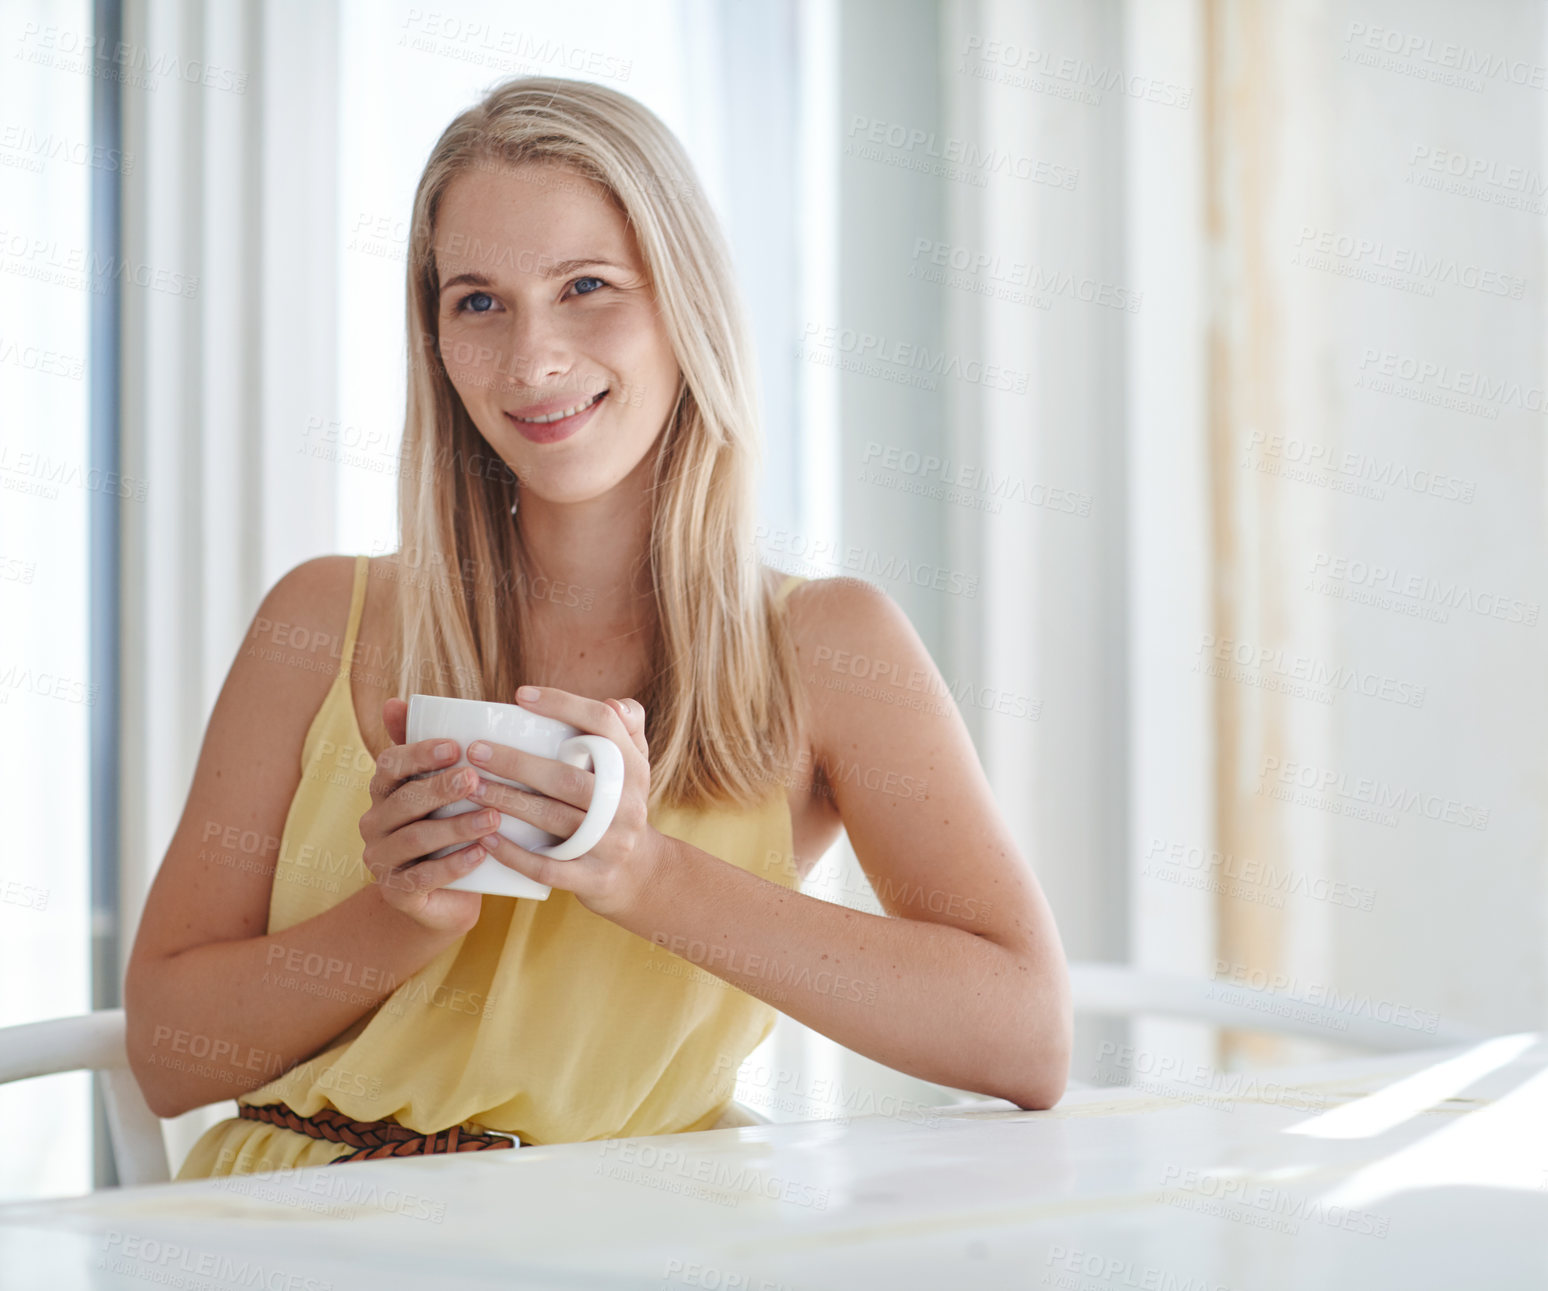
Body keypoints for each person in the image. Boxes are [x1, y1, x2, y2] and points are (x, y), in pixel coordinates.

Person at [124, 75, 1071, 1179]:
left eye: (586, 285)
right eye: (478, 301)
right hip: (288, 1229)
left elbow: (1025, 1036)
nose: (532, 360)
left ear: (686, 303)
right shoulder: (319, 617)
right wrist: (399, 919)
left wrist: (640, 871)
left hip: (620, 1227)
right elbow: (165, 1056)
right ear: (434, 337)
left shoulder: (827, 647)